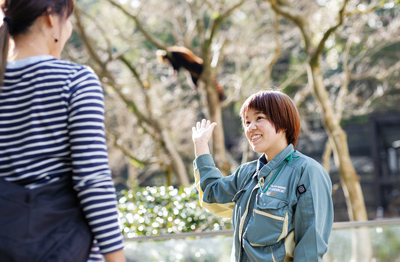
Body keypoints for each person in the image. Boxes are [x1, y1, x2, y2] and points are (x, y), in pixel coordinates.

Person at [0, 0, 125, 261]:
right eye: (67, 19)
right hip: (64, 251)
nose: (67, 29)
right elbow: (92, 181)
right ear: (49, 17)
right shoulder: (75, 81)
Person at [192, 91, 334, 261]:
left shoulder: (307, 171)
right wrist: (200, 146)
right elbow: (211, 195)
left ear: (283, 123)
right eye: (247, 121)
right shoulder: (246, 173)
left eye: (259, 118)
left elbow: (310, 248)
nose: (251, 127)